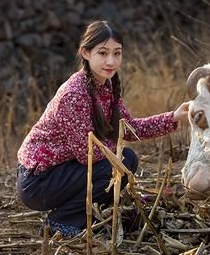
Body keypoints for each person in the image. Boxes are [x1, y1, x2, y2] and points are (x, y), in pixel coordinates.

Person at [17, 20, 189, 238]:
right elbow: (87, 154)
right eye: (103, 53)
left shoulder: (105, 86)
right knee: (122, 161)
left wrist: (174, 116)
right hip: (39, 182)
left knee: (125, 160)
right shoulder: (74, 95)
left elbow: (129, 128)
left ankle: (79, 213)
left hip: (61, 171)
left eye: (117, 53)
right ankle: (60, 221)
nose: (111, 61)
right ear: (86, 53)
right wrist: (118, 154)